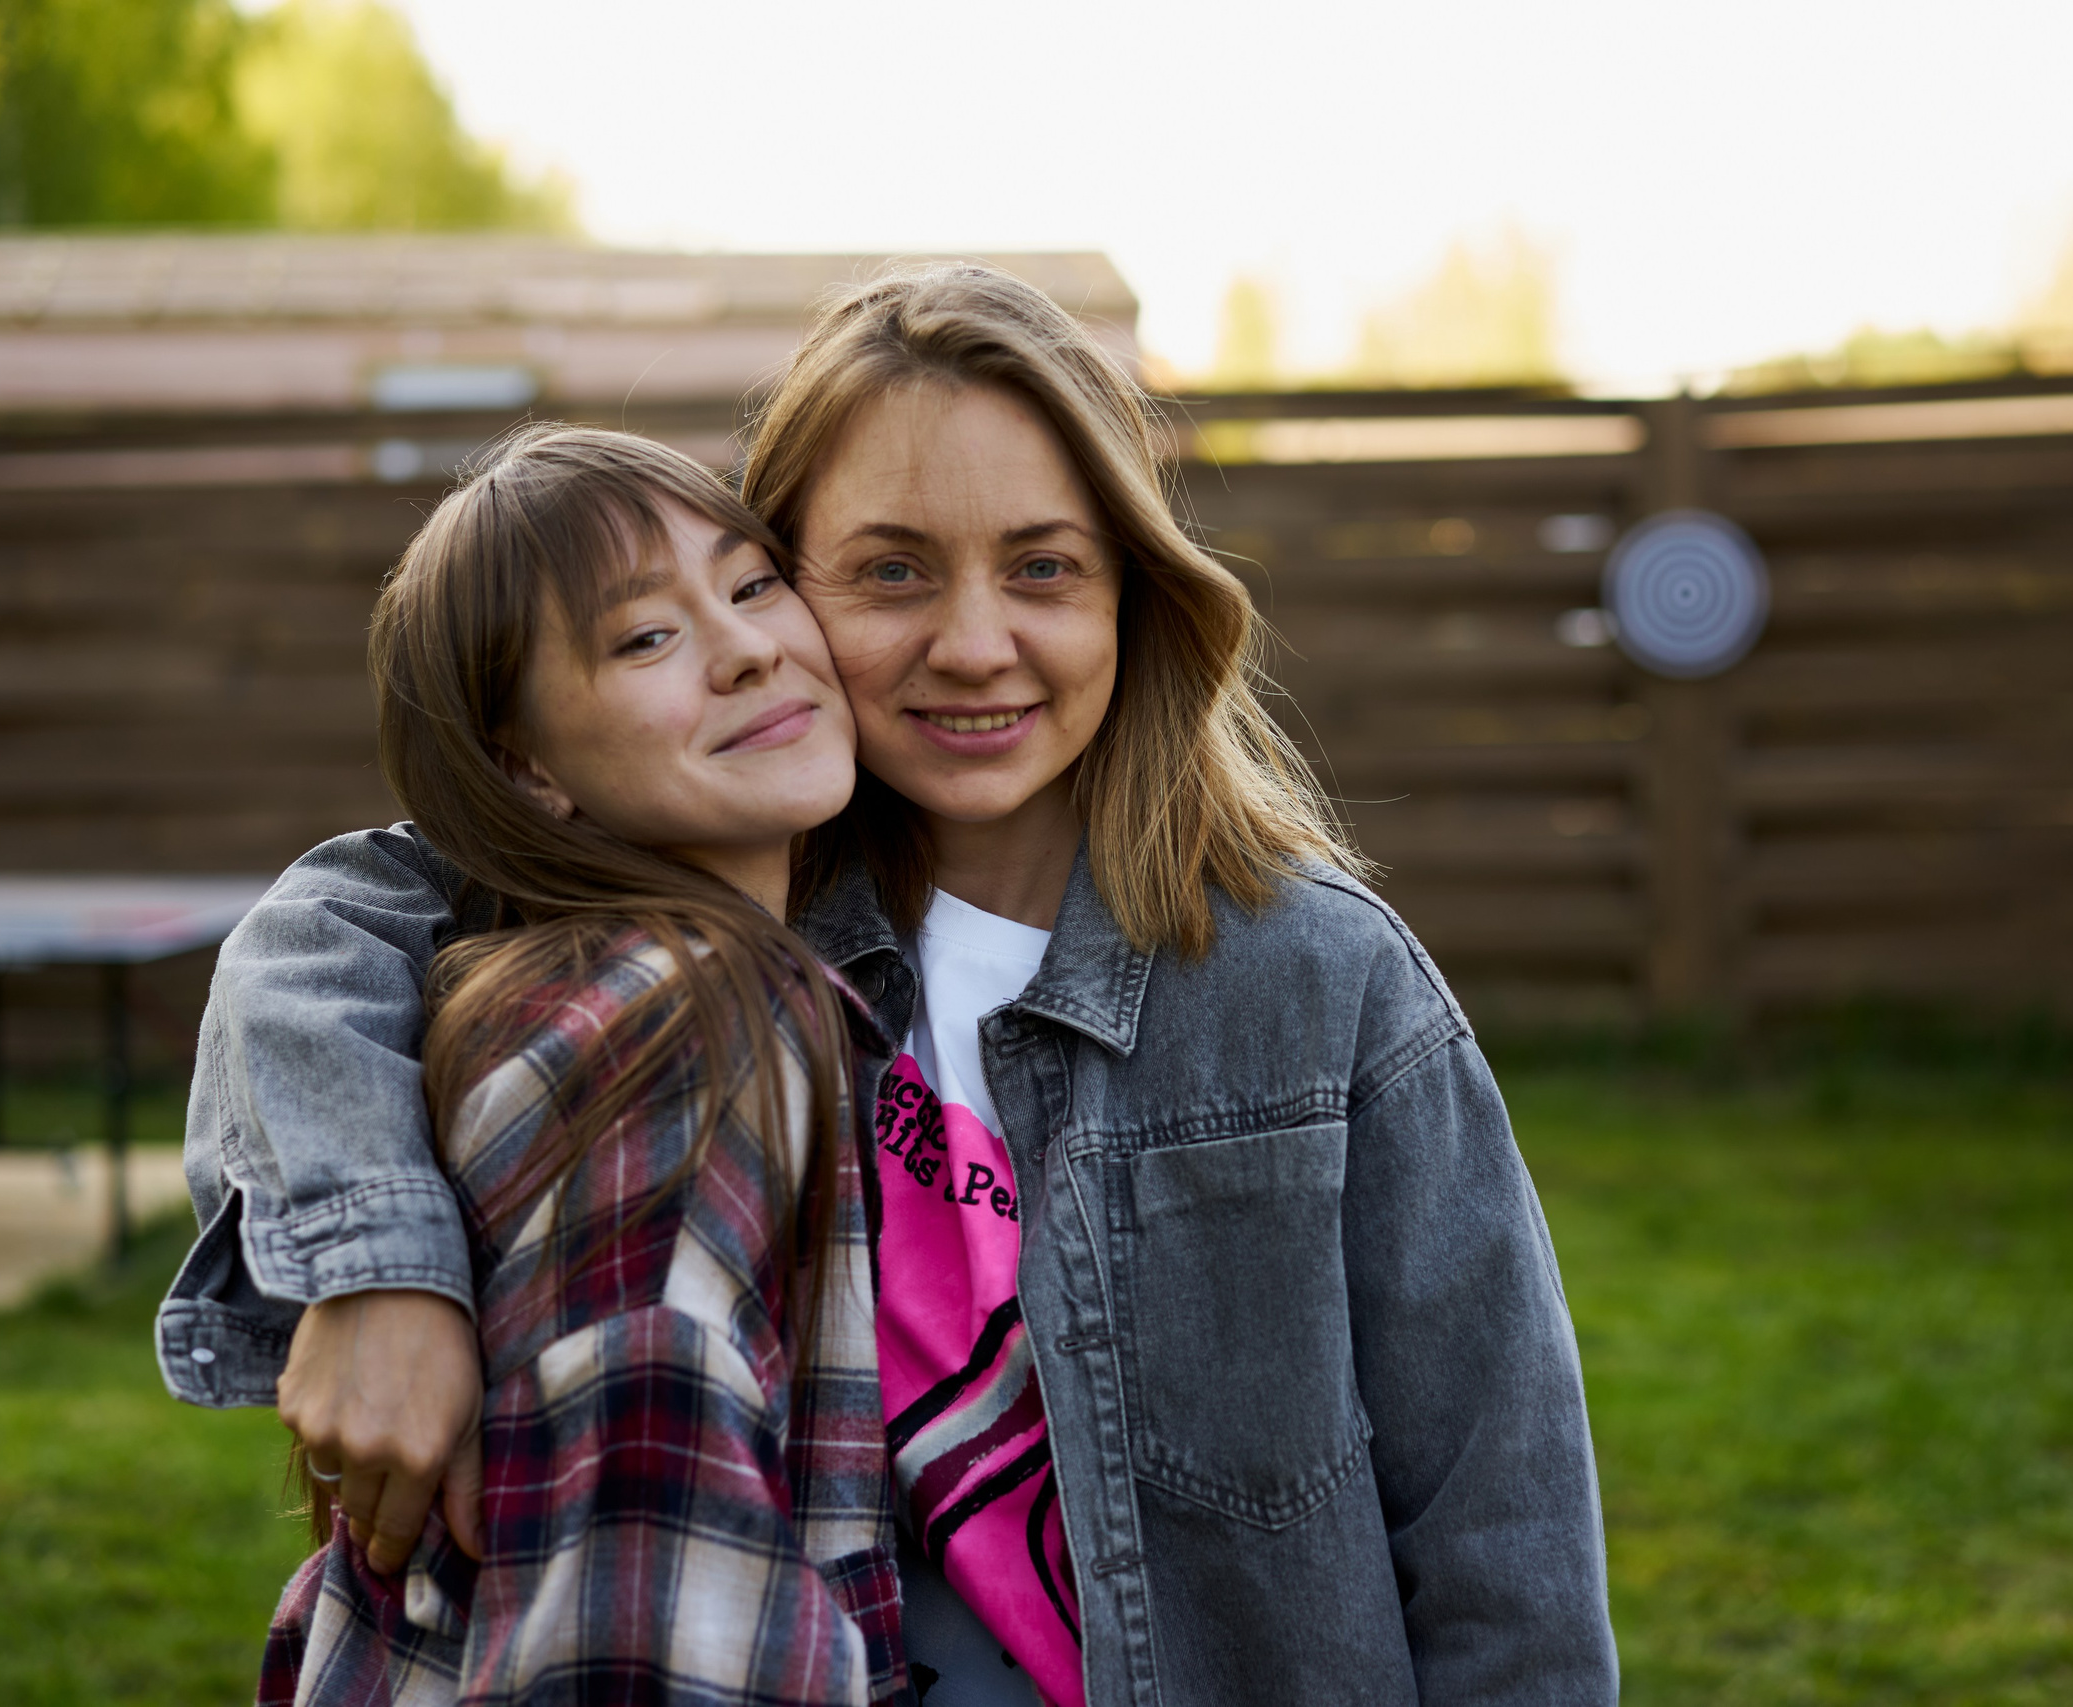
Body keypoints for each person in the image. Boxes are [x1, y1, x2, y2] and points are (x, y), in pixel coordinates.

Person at [160, 263, 1618, 1706]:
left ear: (1132, 590)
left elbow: (1507, 1543)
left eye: (1044, 566)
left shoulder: (1323, 984)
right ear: (789, 582)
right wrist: (379, 1267)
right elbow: (331, 918)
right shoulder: (729, 907)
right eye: (892, 569)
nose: (975, 643)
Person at [230, 425, 905, 1705]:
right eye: (646, 637)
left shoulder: (560, 986)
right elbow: (637, 1624)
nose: (752, 645)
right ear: (525, 766)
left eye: (754, 583)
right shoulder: (686, 1020)